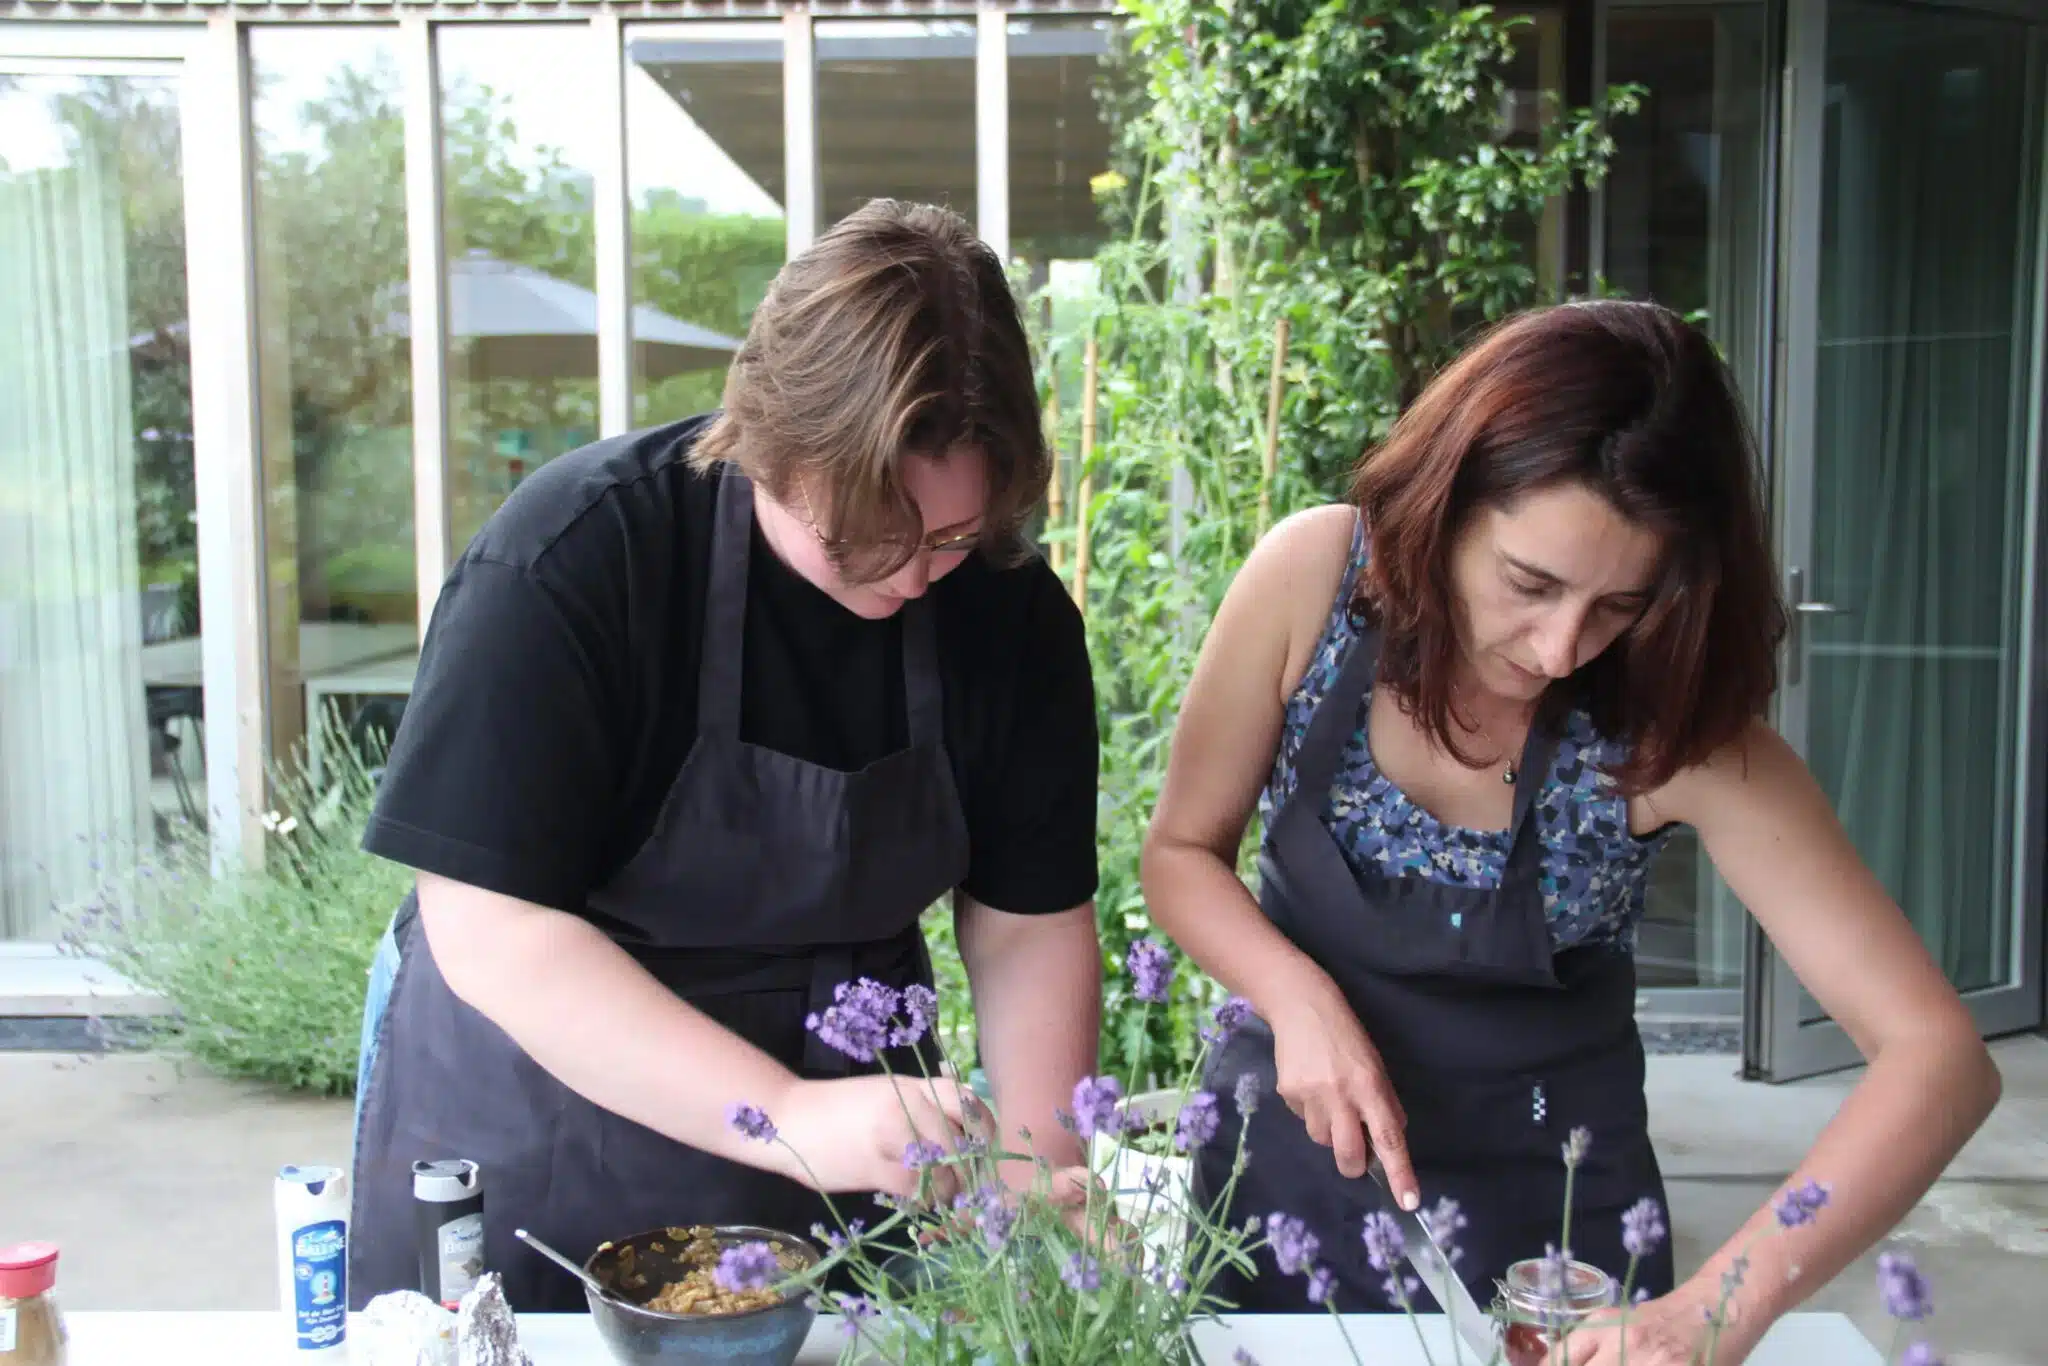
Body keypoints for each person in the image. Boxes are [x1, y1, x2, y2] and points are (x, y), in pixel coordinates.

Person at [1141, 300, 2002, 1364]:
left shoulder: (1677, 734)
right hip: (1283, 1190)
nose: (1558, 649)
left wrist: (1720, 1304)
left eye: (1617, 606)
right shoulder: (1314, 581)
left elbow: (1938, 1057)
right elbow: (1179, 853)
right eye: (1529, 583)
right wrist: (1295, 996)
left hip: (1553, 1258)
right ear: (1446, 503)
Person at [346, 199, 1105, 1312]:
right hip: (545, 1121)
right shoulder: (575, 558)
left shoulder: (1008, 613)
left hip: (844, 1159)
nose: (909, 577)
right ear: (762, 441)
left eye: (948, 538)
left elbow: (1026, 925)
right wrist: (785, 1116)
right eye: (862, 537)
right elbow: (491, 927)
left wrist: (1039, 1189)